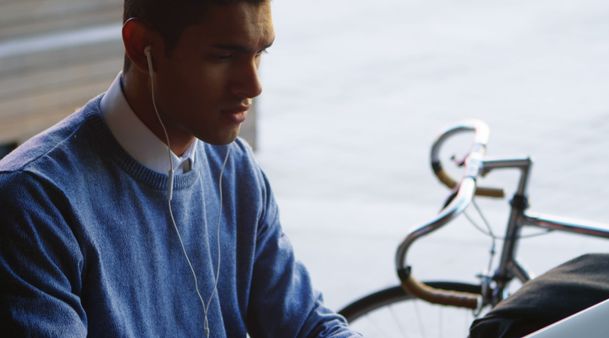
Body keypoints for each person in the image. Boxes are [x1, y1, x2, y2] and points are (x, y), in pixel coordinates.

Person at [0, 0, 361, 337]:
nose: (253, 85)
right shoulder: (33, 202)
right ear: (142, 46)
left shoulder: (235, 169)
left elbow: (307, 325)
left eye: (260, 52)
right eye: (223, 56)